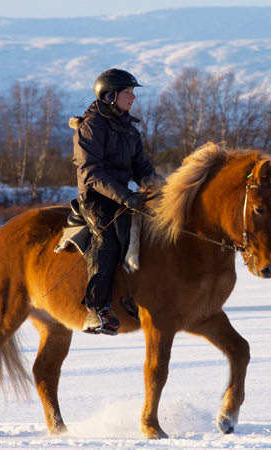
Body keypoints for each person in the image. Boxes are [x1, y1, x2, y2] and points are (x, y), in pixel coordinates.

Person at [72, 68, 159, 335]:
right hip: (96, 197)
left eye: (133, 92)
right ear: (110, 96)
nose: (133, 97)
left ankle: (136, 291)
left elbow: (142, 169)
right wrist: (125, 196)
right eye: (128, 92)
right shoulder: (91, 126)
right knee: (106, 238)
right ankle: (96, 309)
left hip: (123, 196)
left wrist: (167, 192)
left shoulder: (129, 129)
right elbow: (91, 172)